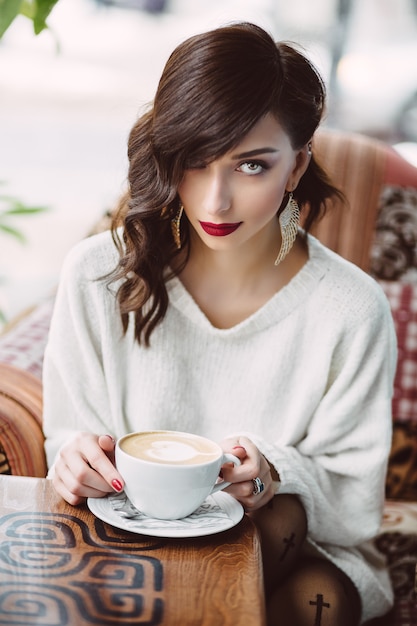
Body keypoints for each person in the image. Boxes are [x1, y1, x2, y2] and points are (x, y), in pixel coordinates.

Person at [42, 22, 396, 626]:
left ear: (296, 166)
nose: (215, 202)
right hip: (129, 545)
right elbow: (68, 438)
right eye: (195, 162)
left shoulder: (351, 307)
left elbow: (353, 506)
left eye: (252, 166)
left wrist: (273, 472)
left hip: (300, 549)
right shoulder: (99, 274)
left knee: (294, 593)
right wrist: (75, 458)